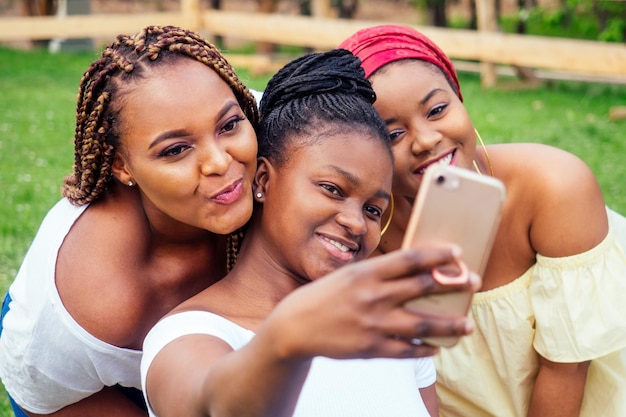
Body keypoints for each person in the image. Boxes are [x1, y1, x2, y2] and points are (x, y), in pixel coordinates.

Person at [0, 25, 477, 417]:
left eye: (229, 126)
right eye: (175, 150)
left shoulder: (269, 128)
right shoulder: (102, 297)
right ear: (123, 166)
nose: (220, 162)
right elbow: (208, 399)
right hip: (63, 376)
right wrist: (286, 338)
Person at [141, 49, 480, 417]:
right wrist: (287, 340)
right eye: (332, 189)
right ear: (264, 180)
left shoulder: (391, 325)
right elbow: (212, 404)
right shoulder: (188, 335)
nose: (355, 223)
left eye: (372, 210)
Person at [339, 24, 626, 417]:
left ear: (460, 97)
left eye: (437, 110)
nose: (425, 140)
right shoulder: (359, 238)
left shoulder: (554, 188)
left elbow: (567, 369)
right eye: (392, 134)